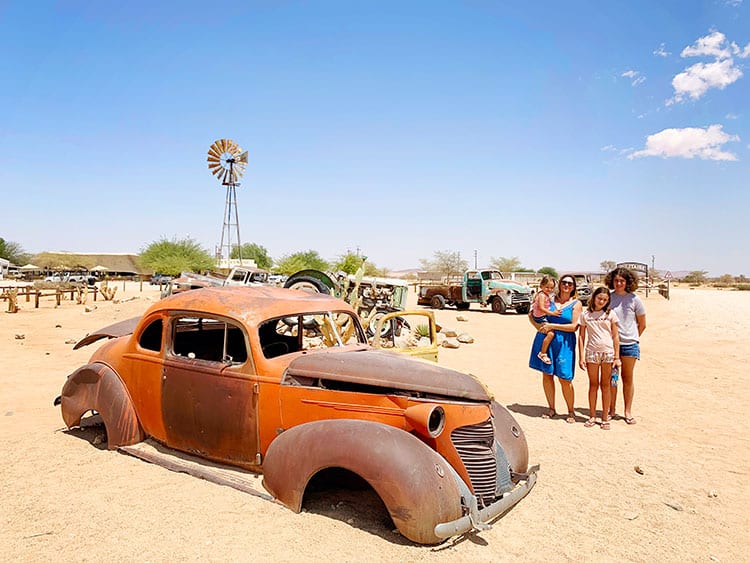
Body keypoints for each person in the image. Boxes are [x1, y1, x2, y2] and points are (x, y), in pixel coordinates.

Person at [529, 274, 582, 423]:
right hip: (546, 339)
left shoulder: (576, 304)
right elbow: (531, 315)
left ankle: (571, 411)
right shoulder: (548, 299)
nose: (566, 285)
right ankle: (551, 408)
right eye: (564, 282)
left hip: (565, 342)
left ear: (574, 287)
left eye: (570, 284)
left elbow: (574, 327)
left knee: (565, 378)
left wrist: (552, 326)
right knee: (547, 374)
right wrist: (539, 327)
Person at [605, 267, 646, 425]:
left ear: (628, 282)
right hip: (610, 346)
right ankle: (611, 409)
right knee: (611, 379)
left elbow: (642, 324)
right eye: (616, 280)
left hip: (629, 345)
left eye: (622, 281)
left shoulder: (635, 299)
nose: (619, 283)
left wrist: (632, 338)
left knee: (627, 379)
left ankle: (627, 411)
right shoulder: (607, 297)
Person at [578, 287, 620, 430]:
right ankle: (592, 415)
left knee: (606, 385)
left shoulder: (611, 314)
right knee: (593, 385)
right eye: (599, 298)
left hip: (607, 353)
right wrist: (581, 356)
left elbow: (615, 336)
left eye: (605, 299)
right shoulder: (585, 314)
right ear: (594, 297)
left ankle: (604, 417)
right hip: (592, 353)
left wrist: (617, 356)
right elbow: (582, 336)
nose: (601, 301)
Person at [532, 277, 562, 364]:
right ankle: (543, 353)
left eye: (552, 288)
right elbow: (541, 307)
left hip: (542, 316)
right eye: (547, 287)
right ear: (541, 286)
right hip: (540, 317)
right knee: (551, 334)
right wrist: (552, 313)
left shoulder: (546, 295)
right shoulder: (541, 295)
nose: (549, 289)